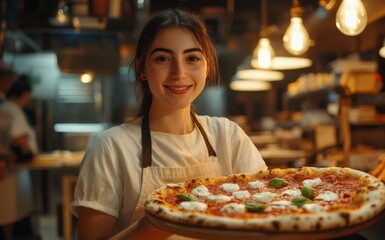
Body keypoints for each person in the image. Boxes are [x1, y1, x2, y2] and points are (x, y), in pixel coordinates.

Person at [71, 8, 267, 239]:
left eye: (192, 58)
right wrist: (155, 224)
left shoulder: (229, 136)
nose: (179, 73)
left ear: (207, 67)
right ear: (143, 70)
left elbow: (264, 218)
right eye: (163, 59)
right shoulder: (111, 147)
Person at [0, 73, 38, 239]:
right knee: (14, 224)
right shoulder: (11, 109)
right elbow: (19, 139)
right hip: (10, 175)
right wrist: (27, 152)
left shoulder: (9, 108)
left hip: (14, 174)